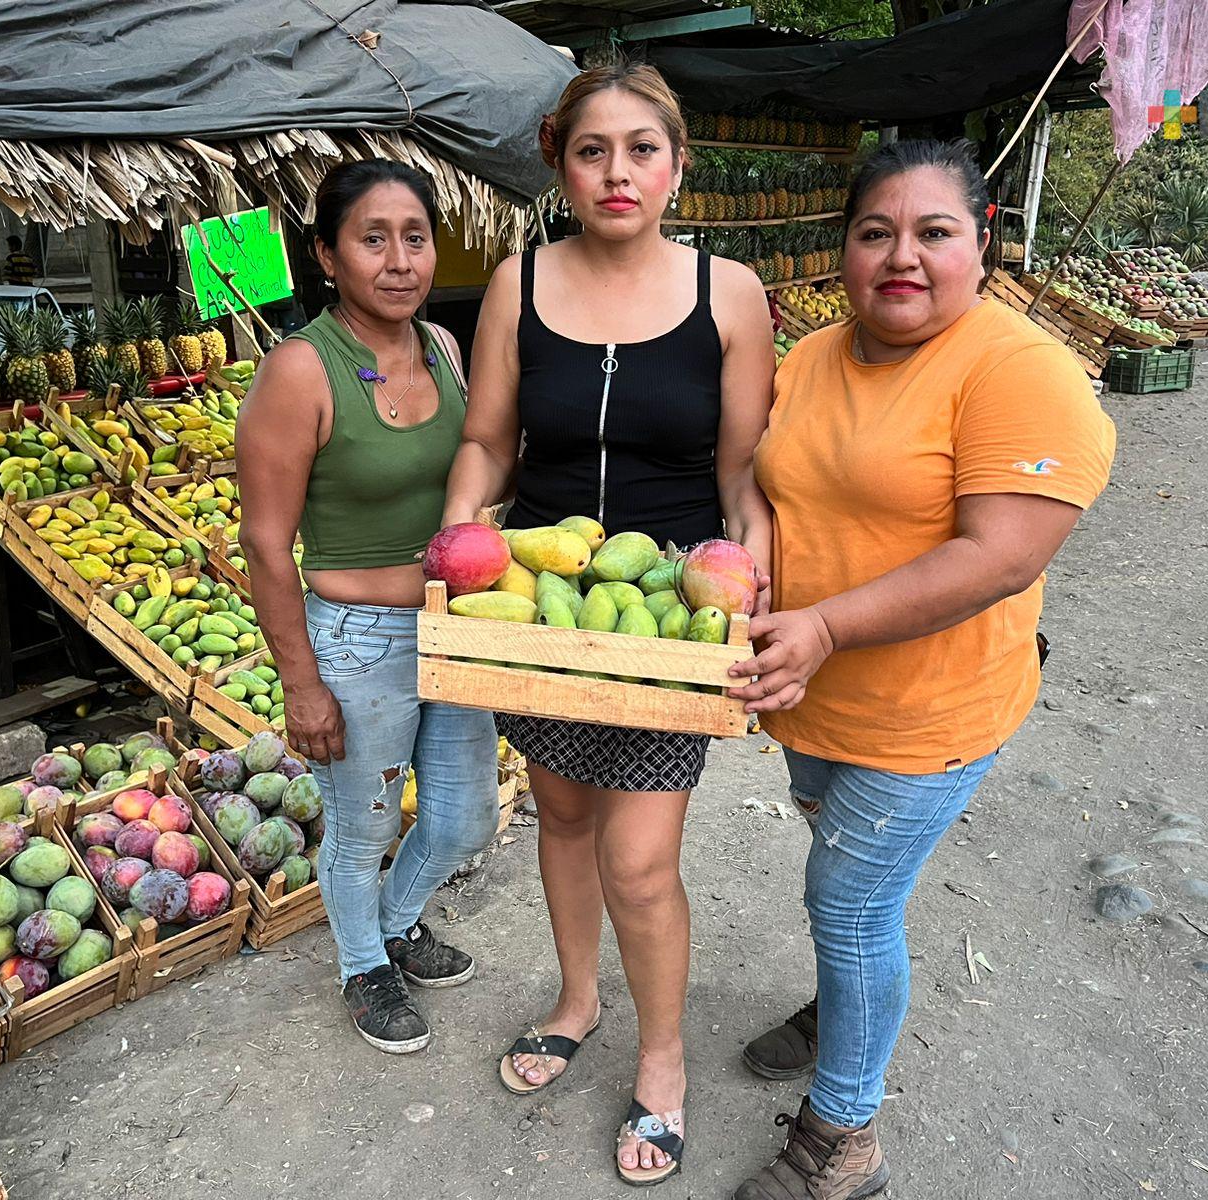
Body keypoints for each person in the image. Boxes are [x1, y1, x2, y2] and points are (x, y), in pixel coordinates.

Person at [729, 138, 1117, 1199]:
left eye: (934, 232)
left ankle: (841, 1144)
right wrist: (751, 570)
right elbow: (766, 483)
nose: (902, 255)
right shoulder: (812, 356)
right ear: (842, 250)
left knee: (846, 904)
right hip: (811, 696)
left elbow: (1002, 554)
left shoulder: (1018, 371)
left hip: (929, 710)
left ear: (980, 246)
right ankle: (845, 1004)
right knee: (851, 890)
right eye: (874, 232)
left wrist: (820, 628)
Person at [441, 62, 774, 1186]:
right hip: (541, 610)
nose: (617, 172)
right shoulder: (513, 284)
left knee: (639, 862)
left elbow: (743, 478)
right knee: (564, 815)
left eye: (642, 149)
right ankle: (577, 1001)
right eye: (593, 150)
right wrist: (460, 540)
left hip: (666, 613)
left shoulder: (730, 295)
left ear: (678, 166)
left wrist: (749, 591)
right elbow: (489, 443)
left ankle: (664, 1061)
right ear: (559, 163)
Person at [236, 160, 499, 1056]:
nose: (399, 260)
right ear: (327, 255)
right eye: (372, 239)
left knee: (465, 816)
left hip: (453, 629)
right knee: (363, 825)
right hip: (358, 640)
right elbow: (267, 545)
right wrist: (300, 683)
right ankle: (363, 965)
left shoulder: (447, 351)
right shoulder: (299, 372)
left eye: (415, 237)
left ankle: (396, 921)